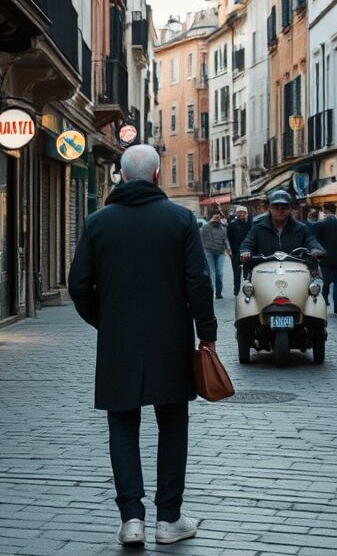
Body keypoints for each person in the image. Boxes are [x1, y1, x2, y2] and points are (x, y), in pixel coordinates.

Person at [67, 144, 216, 546]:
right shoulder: (181, 219)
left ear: (120, 176)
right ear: (156, 176)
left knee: (122, 422)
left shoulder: (97, 223)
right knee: (172, 423)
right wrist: (208, 332)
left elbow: (78, 284)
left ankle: (131, 518)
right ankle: (169, 519)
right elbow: (198, 281)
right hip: (171, 337)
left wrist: (104, 320)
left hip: (119, 340)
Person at [237, 190, 325, 265]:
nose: (280, 211)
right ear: (270, 209)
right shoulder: (258, 229)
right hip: (265, 271)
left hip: (294, 272)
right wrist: (245, 251)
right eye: (276, 207)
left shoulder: (301, 228)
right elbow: (247, 243)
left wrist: (316, 249)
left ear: (290, 209)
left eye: (284, 208)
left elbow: (311, 241)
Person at [314, 203, 337, 314]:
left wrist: (318, 256)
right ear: (335, 211)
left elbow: (317, 243)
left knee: (326, 280)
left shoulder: (321, 225)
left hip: (325, 259)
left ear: (325, 211)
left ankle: (325, 297)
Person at [199, 212, 230, 299]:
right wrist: (210, 221)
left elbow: (226, 239)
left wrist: (228, 249)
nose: (218, 219)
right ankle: (211, 292)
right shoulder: (205, 227)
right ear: (211, 218)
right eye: (216, 217)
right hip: (209, 252)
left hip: (220, 252)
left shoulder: (223, 228)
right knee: (211, 272)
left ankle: (219, 293)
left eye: (219, 217)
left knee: (219, 273)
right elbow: (200, 234)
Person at [226, 206, 252, 294]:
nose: (242, 214)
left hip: (248, 250)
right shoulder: (233, 223)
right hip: (236, 250)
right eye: (240, 212)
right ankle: (236, 291)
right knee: (236, 272)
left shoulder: (250, 223)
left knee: (249, 271)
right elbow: (228, 237)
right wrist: (229, 249)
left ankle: (249, 290)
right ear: (236, 213)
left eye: (243, 212)